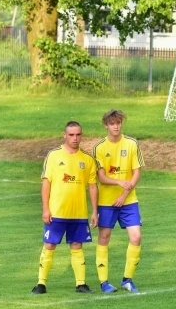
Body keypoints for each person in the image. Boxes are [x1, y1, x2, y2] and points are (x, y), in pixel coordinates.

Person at [32, 121, 99, 294]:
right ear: (65, 135)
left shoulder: (87, 159)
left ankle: (81, 284)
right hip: (57, 212)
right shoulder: (53, 156)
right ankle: (41, 284)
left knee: (77, 245)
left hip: (78, 213)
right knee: (49, 245)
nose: (75, 138)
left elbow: (92, 186)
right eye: (71, 135)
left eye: (78, 135)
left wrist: (95, 212)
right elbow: (46, 183)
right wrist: (46, 209)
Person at [92, 109, 144, 293]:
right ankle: (104, 282)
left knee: (136, 237)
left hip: (129, 201)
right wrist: (119, 182)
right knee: (104, 237)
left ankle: (127, 280)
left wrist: (124, 194)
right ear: (106, 125)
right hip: (107, 202)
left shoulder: (131, 144)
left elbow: (137, 171)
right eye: (112, 123)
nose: (116, 126)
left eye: (118, 123)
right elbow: (102, 177)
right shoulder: (99, 148)